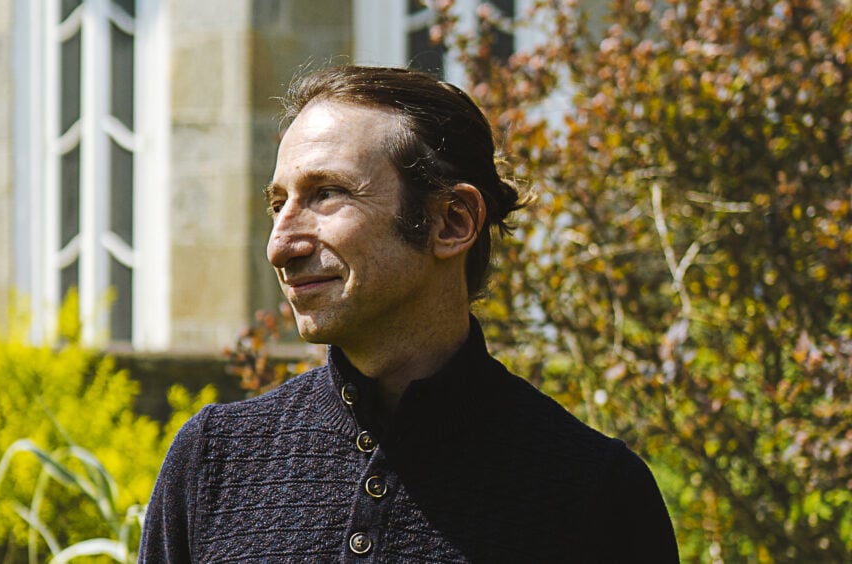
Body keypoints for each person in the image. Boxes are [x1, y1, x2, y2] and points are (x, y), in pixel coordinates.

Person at [139, 65, 679, 562]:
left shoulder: (595, 492)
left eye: (327, 194)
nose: (280, 246)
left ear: (452, 222)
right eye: (279, 204)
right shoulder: (213, 460)